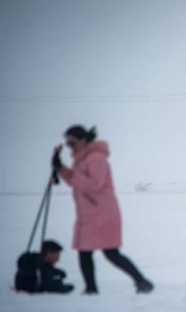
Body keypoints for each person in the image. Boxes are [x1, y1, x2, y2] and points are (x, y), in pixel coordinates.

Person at [52, 125, 153, 294]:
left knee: (108, 252)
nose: (70, 146)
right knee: (90, 252)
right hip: (91, 212)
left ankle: (139, 281)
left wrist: (65, 172)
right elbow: (77, 182)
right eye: (68, 144)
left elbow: (93, 185)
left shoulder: (96, 159)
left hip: (101, 213)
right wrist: (61, 169)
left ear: (83, 140)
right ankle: (95, 288)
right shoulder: (82, 159)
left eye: (72, 142)